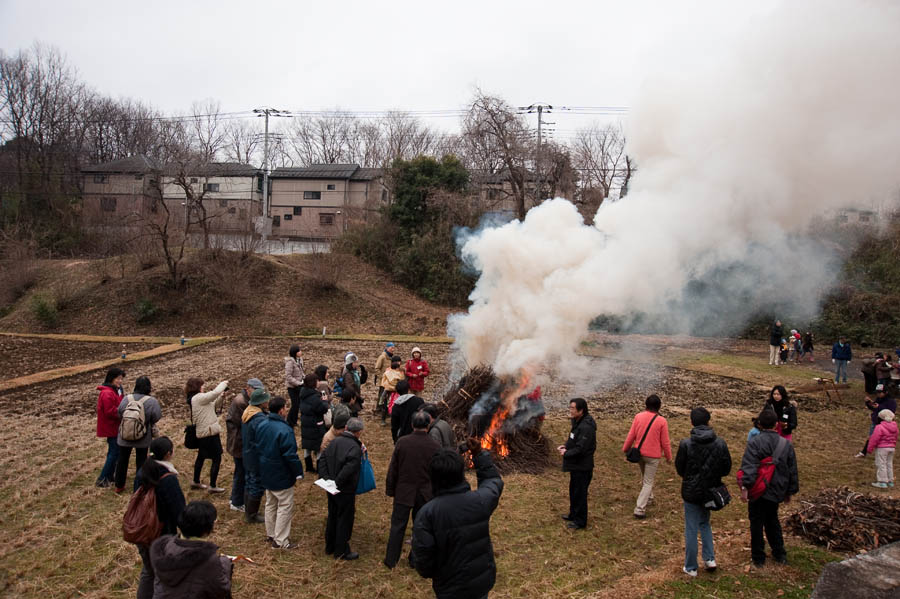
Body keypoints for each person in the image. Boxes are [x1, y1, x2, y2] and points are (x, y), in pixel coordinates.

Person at [412, 439, 504, 599]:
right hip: (480, 583)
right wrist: (479, 454)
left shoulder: (427, 514)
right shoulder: (480, 501)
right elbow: (493, 482)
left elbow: (423, 562)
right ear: (461, 473)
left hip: (449, 588)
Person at [675, 407, 732, 577]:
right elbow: (726, 468)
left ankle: (691, 567)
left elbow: (680, 468)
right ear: (708, 421)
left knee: (691, 527)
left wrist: (690, 478)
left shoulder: (686, 444)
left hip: (691, 491)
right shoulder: (720, 443)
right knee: (705, 523)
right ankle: (709, 559)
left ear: (692, 422)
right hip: (710, 490)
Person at [739, 408, 799, 568]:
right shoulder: (785, 444)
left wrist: (746, 487)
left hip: (758, 489)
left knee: (756, 522)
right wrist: (790, 491)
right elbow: (792, 469)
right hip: (777, 488)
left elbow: (749, 467)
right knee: (772, 520)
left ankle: (758, 557)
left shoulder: (754, 442)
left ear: (759, 424)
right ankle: (779, 553)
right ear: (776, 424)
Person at [384, 411, 441, 569]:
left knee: (397, 526)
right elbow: (437, 472)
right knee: (421, 528)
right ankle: (415, 560)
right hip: (425, 493)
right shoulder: (435, 446)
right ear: (428, 426)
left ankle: (391, 560)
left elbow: (393, 469)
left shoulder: (402, 442)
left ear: (412, 425)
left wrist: (390, 489)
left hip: (404, 491)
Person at [131, 436, 186, 599]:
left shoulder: (142, 472)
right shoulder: (167, 478)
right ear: (168, 454)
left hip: (143, 531)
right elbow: (179, 511)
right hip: (162, 534)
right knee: (165, 577)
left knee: (149, 572)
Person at [150, 501, 233, 598]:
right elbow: (222, 589)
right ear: (207, 530)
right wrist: (225, 563)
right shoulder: (208, 560)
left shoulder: (164, 547)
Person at [256, 395, 304, 549]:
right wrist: (298, 472)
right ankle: (281, 540)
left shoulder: (262, 424)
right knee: (284, 505)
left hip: (266, 470)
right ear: (282, 410)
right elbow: (290, 455)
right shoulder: (285, 429)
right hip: (281, 473)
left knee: (270, 503)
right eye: (285, 407)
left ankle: (271, 534)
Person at [318, 417, 365, 560]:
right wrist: (336, 482)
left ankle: (329, 546)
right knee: (344, 519)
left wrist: (327, 479)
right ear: (358, 432)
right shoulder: (355, 448)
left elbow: (322, 459)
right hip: (345, 490)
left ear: (346, 428)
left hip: (330, 487)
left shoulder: (334, 442)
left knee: (332, 515)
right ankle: (341, 550)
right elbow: (349, 469)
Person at [622, 394, 672, 519]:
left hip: (639, 454)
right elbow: (665, 442)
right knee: (648, 481)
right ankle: (639, 509)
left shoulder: (638, 417)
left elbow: (631, 435)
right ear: (659, 407)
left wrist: (625, 449)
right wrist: (668, 457)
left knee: (645, 477)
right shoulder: (662, 421)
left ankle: (649, 498)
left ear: (646, 404)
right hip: (653, 457)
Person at [115, 376, 163, 494]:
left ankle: (119, 485)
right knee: (141, 461)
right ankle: (139, 486)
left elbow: (119, 412)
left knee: (122, 460)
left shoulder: (127, 398)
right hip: (143, 436)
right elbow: (156, 416)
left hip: (124, 435)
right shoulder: (151, 401)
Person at [558, 397, 597, 530]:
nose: (570, 410)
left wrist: (566, 454)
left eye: (573, 408)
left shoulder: (586, 427)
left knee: (580, 494)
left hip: (583, 466)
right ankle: (573, 514)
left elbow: (581, 448)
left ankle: (580, 521)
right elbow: (572, 439)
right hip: (576, 465)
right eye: (570, 407)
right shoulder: (577, 422)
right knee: (573, 491)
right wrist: (565, 446)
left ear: (581, 410)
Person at [225, 378, 263, 513]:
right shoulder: (241, 402)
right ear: (248, 389)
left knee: (241, 471)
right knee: (241, 472)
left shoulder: (245, 400)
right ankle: (236, 501)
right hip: (238, 442)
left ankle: (237, 498)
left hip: (240, 441)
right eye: (256, 390)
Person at [187, 377, 229, 493]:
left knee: (201, 457)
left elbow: (213, 405)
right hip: (209, 433)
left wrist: (221, 397)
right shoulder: (198, 398)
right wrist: (223, 383)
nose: (203, 387)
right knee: (217, 458)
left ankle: (196, 481)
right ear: (197, 387)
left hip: (204, 432)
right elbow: (214, 393)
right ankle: (212, 485)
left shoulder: (198, 399)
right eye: (202, 385)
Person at [241, 388, 270, 524]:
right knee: (256, 483)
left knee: (249, 481)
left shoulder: (248, 412)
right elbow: (263, 439)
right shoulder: (258, 419)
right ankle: (252, 515)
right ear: (261, 402)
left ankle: (248, 510)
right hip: (256, 456)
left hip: (247, 453)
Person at [96, 367, 125, 487]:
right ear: (111, 378)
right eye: (118, 378)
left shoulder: (116, 390)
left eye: (121, 379)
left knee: (114, 453)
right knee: (114, 453)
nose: (120, 381)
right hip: (111, 427)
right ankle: (102, 479)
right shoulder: (107, 393)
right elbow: (110, 411)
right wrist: (123, 412)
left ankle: (110, 476)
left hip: (116, 426)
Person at [298, 373, 329, 473]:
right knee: (319, 446)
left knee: (307, 446)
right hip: (316, 424)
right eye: (317, 380)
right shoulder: (315, 397)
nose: (319, 382)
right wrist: (325, 401)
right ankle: (320, 468)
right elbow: (323, 409)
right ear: (313, 383)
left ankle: (309, 467)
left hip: (306, 424)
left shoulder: (303, 394)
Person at [856, 384, 897, 457]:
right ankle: (864, 452)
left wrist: (879, 407)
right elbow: (874, 408)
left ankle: (884, 452)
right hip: (876, 421)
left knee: (885, 439)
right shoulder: (879, 399)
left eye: (880, 392)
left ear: (886, 392)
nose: (878, 394)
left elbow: (890, 413)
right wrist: (868, 403)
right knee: (871, 437)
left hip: (886, 424)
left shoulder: (892, 402)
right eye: (877, 393)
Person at [867, 409, 897, 488]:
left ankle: (882, 481)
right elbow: (896, 437)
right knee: (889, 464)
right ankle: (890, 481)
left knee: (881, 464)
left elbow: (874, 438)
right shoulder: (895, 426)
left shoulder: (879, 427)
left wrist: (869, 448)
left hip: (882, 448)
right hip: (892, 448)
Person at [379, 356, 406, 424]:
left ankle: (396, 420)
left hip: (397, 391)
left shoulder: (401, 371)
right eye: (396, 361)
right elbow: (384, 380)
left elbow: (403, 380)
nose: (398, 363)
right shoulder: (388, 370)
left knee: (397, 406)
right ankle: (383, 419)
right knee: (385, 405)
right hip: (388, 390)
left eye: (399, 361)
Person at [284, 344, 304, 424]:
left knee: (298, 404)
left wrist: (305, 378)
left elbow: (301, 372)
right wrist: (298, 383)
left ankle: (294, 421)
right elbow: (288, 377)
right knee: (295, 405)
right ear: (295, 352)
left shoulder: (300, 360)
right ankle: (289, 421)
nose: (300, 352)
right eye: (299, 350)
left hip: (299, 385)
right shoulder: (290, 362)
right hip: (292, 387)